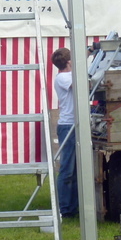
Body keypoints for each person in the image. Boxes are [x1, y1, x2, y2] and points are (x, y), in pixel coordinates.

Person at [51, 47, 78, 218]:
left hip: (73, 124)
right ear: (69, 62)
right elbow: (80, 85)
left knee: (75, 170)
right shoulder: (63, 77)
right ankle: (65, 209)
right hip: (68, 125)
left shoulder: (68, 75)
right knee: (67, 169)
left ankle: (73, 207)